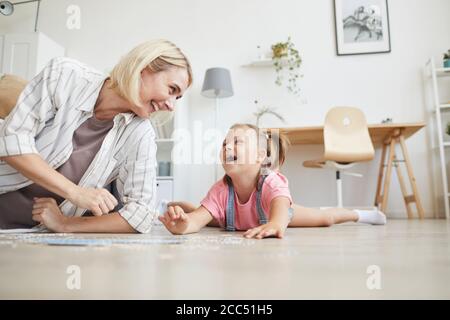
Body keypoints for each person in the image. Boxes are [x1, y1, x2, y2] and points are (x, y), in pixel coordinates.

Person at [0, 39, 192, 233]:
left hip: (32, 236)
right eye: (172, 89)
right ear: (145, 67)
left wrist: (65, 223)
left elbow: (141, 214)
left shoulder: (141, 134)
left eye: (177, 97)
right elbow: (11, 141)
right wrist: (75, 192)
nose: (171, 105)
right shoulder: (65, 75)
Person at [159, 123, 386, 239]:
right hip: (236, 218)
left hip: (278, 216)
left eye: (236, 142)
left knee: (324, 218)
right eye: (223, 144)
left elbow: (279, 205)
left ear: (260, 156)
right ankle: (177, 208)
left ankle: (360, 214)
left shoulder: (271, 181)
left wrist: (276, 224)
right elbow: (198, 221)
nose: (227, 147)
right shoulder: (221, 189)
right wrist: (184, 225)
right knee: (205, 216)